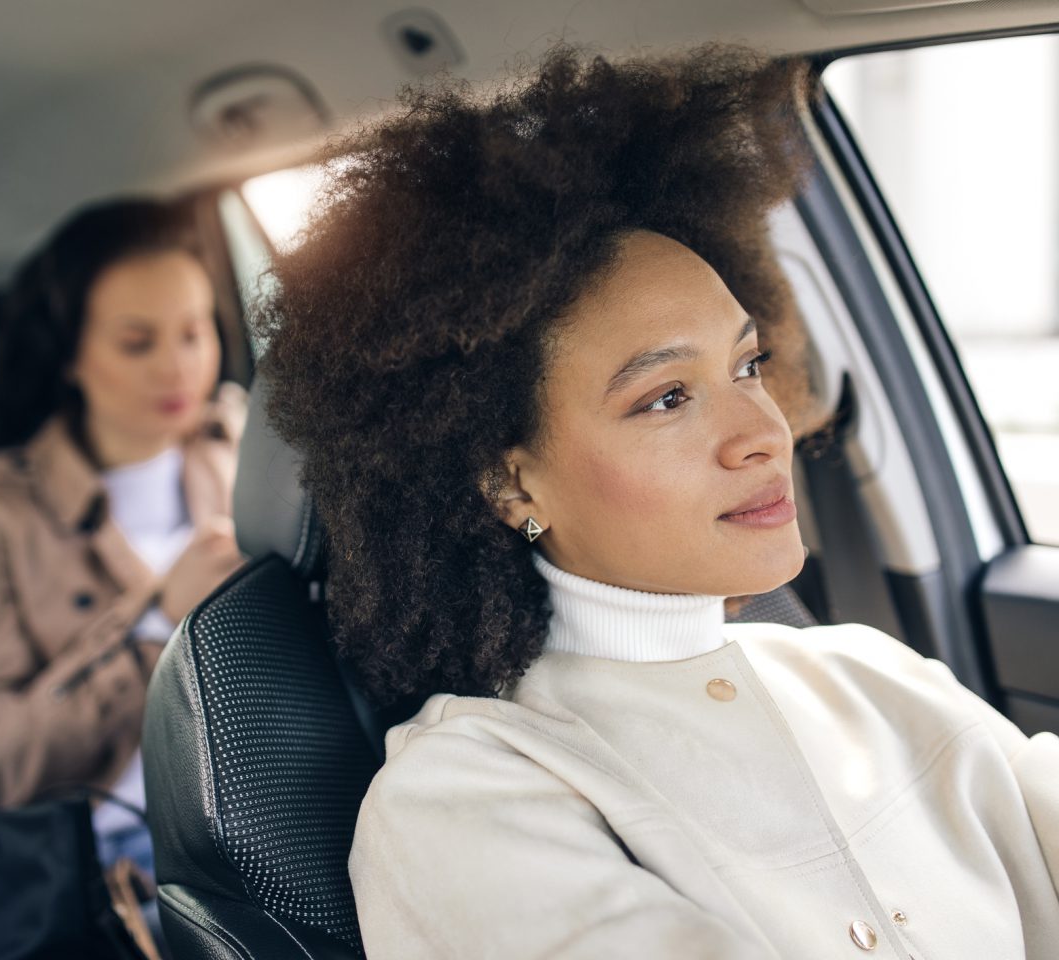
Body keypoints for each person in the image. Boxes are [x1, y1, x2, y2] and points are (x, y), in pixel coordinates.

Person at [257, 48, 1059, 958]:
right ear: (509, 480)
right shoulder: (468, 796)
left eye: (747, 364)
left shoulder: (875, 676)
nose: (761, 430)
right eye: (667, 398)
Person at [0, 197, 246, 882]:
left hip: (273, 814)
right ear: (70, 354)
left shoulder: (247, 448)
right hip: (111, 865)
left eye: (194, 332)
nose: (178, 366)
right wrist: (156, 620)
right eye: (136, 341)